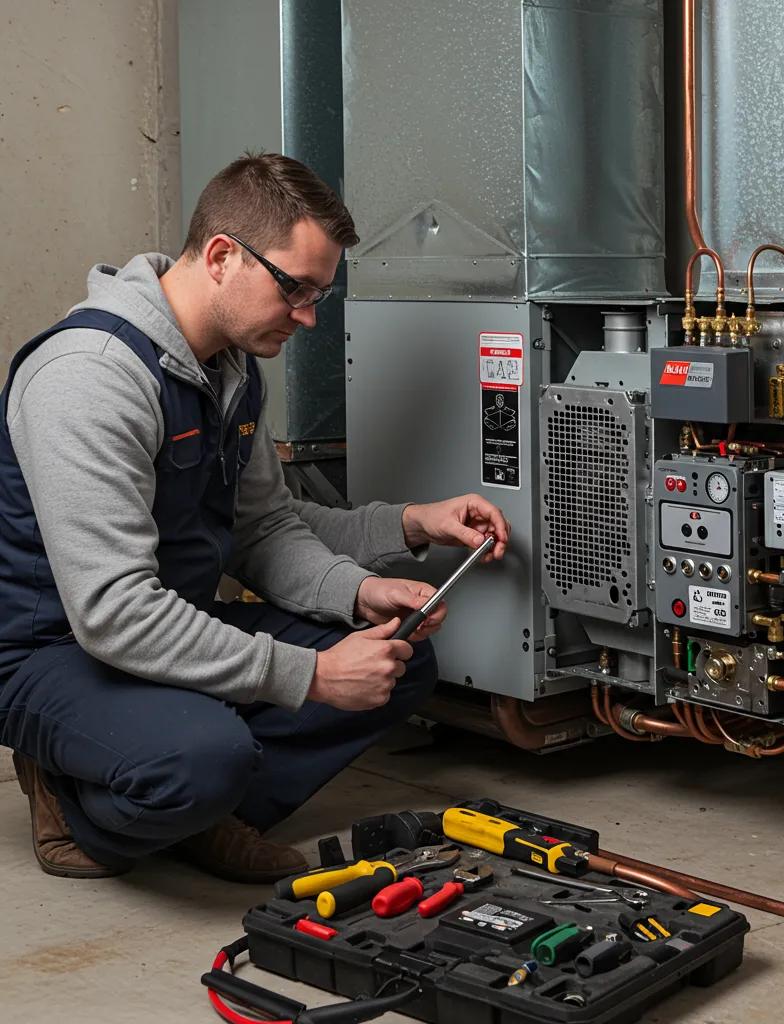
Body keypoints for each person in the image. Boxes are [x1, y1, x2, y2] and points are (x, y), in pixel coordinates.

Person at [0, 152, 509, 882]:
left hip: (164, 622)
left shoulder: (230, 370)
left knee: (396, 657)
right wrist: (310, 675)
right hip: (54, 652)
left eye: (318, 296)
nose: (306, 317)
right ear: (219, 256)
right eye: (294, 289)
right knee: (205, 757)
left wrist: (368, 579)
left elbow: (262, 528)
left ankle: (200, 814)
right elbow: (110, 612)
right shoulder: (88, 377)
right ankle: (75, 798)